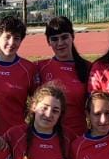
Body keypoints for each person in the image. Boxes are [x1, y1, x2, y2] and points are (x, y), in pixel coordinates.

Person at [32, 16, 91, 144]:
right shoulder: (39, 67)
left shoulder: (88, 68)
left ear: (72, 36)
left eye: (64, 37)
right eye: (54, 39)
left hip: (78, 137)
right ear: (48, 42)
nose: (60, 43)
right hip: (47, 137)